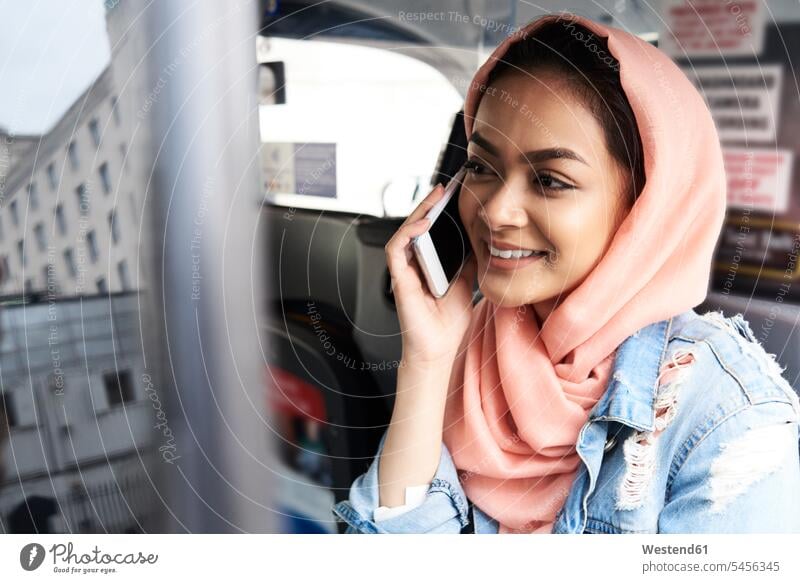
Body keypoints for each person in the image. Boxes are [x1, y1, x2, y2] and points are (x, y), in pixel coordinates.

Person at [332, 13, 800, 534]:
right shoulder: (465, 348)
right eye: (483, 168)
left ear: (645, 206)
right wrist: (426, 363)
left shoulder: (725, 415)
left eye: (550, 180)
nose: (497, 210)